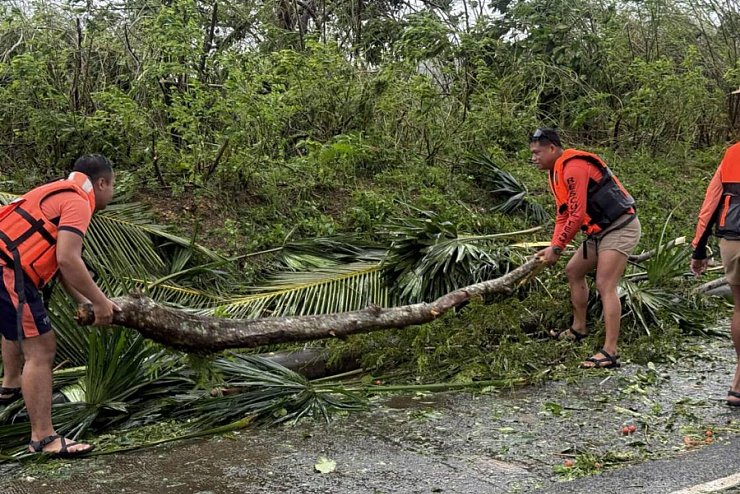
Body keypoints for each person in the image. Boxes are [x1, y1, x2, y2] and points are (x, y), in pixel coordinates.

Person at [0, 154, 120, 457]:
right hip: (9, 271)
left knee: (17, 328)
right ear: (102, 182)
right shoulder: (79, 201)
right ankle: (43, 438)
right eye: (112, 185)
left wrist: (87, 301)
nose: (112, 193)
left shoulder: (55, 192)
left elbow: (57, 260)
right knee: (41, 349)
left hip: (5, 266)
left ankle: (11, 385)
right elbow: (69, 259)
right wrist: (103, 303)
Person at [530, 128, 641, 369]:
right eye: (532, 153)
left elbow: (578, 213)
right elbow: (564, 215)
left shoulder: (574, 167)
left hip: (620, 227)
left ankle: (610, 351)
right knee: (574, 271)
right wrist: (554, 246)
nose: (534, 158)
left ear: (552, 148)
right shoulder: (555, 174)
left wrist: (557, 248)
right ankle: (578, 328)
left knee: (605, 284)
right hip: (598, 231)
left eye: (537, 152)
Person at [690, 141, 740, 406]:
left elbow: (711, 204)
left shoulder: (732, 153)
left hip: (732, 241)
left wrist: (699, 249)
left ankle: (738, 385)